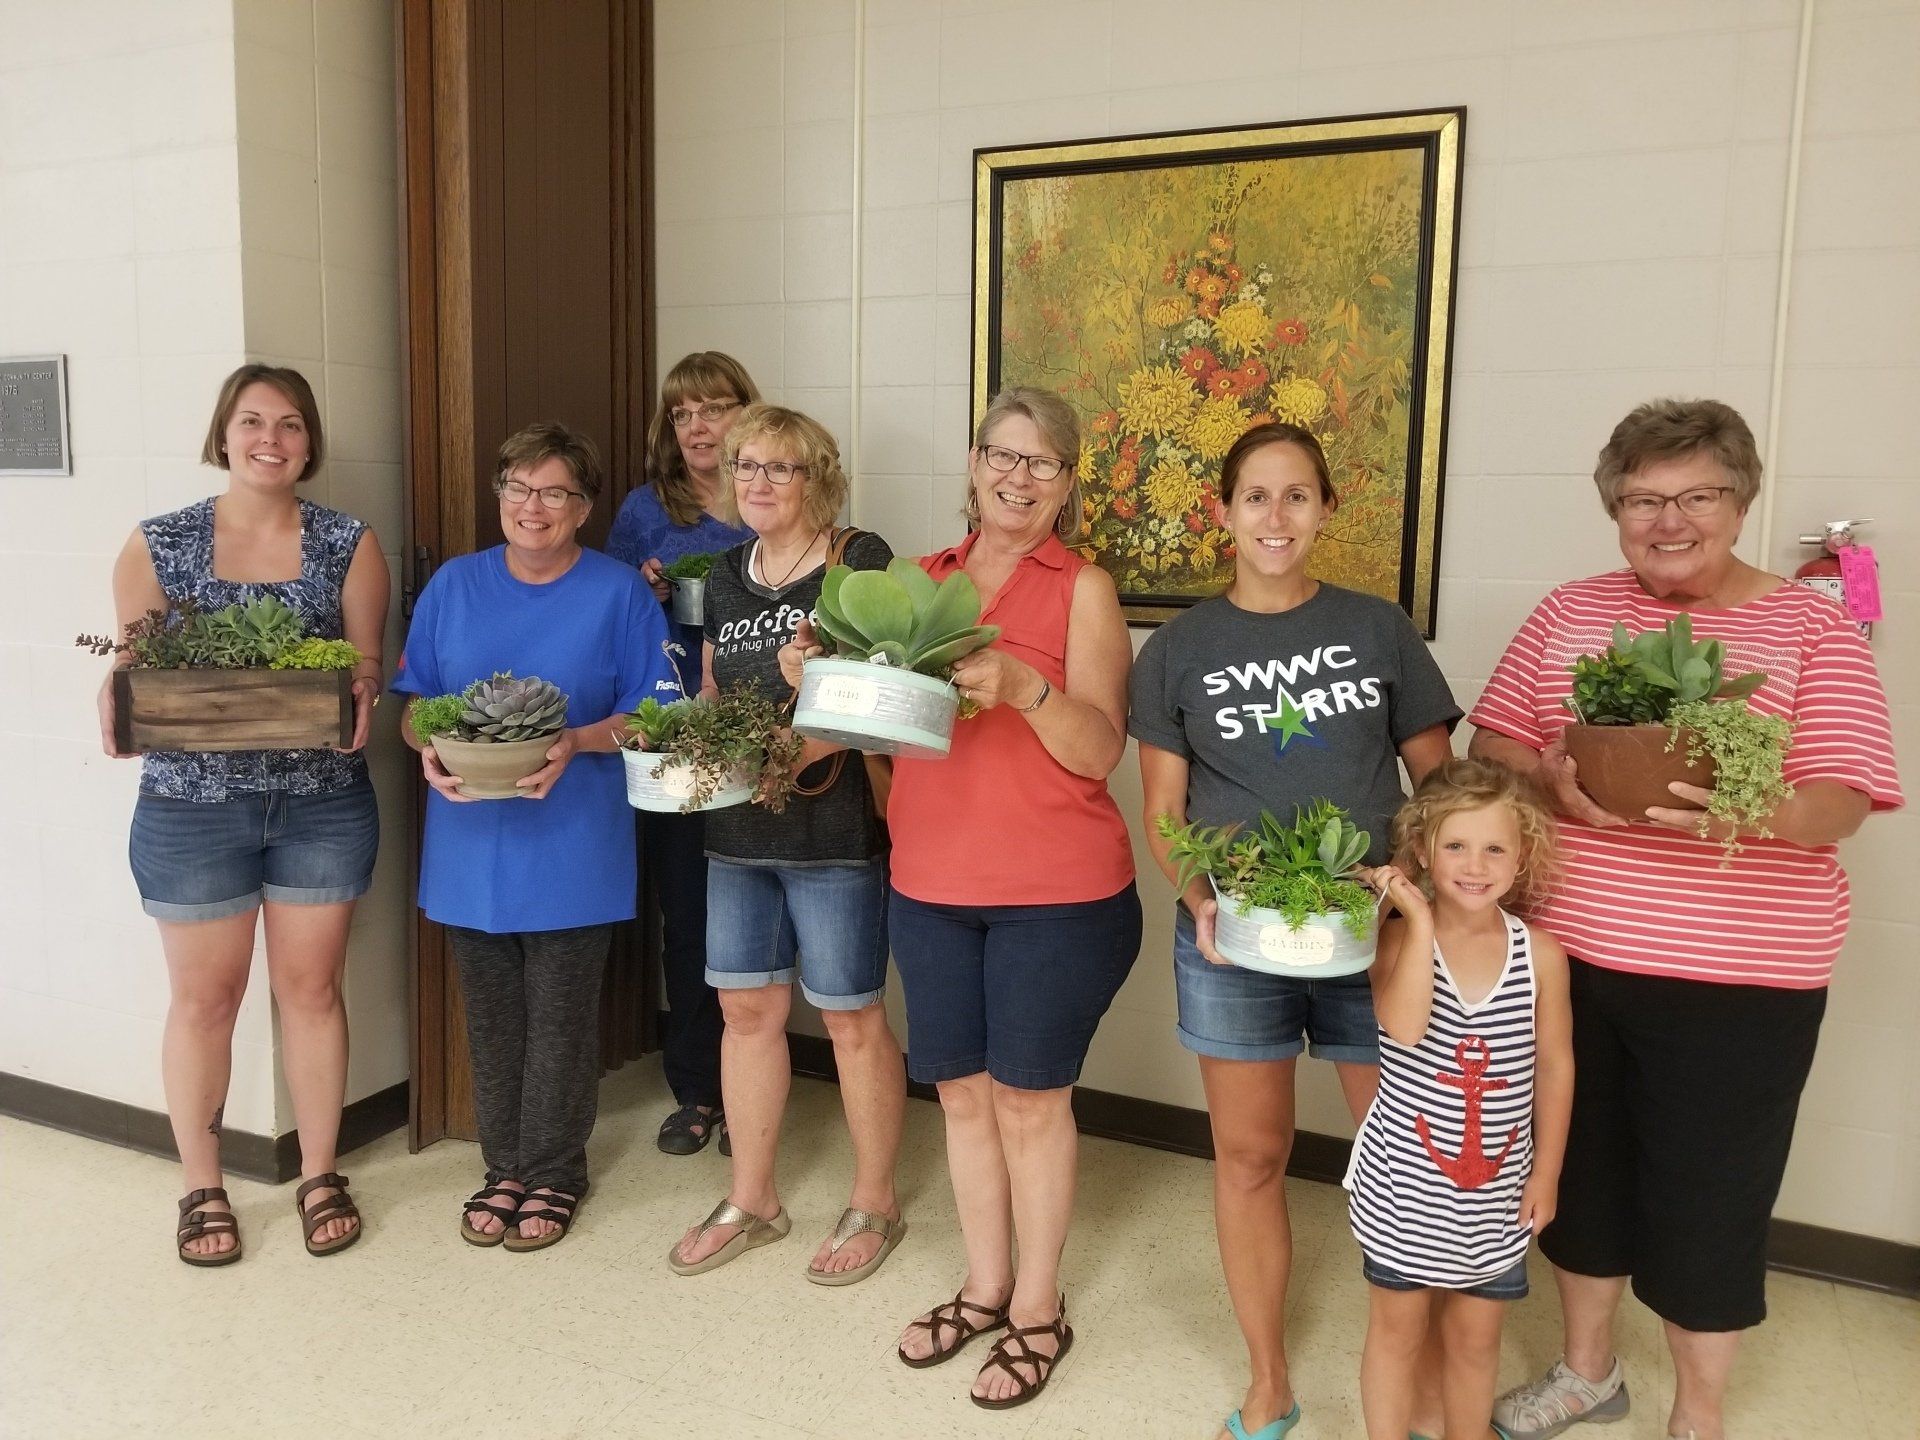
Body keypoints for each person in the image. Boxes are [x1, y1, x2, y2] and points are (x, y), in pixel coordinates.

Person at [1469, 399, 1903, 1440]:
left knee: (1712, 1201)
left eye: (1696, 495)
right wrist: (1553, 782)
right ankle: (1587, 1373)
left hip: (1742, 978)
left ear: (1739, 500)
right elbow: (1491, 744)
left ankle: (1698, 1415)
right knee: (1579, 1178)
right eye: (1642, 500)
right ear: (1614, 509)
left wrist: (1747, 805)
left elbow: (1842, 801)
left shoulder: (1810, 627)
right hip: (1571, 960)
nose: (1669, 519)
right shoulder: (1570, 613)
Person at [781, 388, 1138, 1409]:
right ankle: (982, 1287)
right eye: (1002, 455)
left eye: (1043, 463)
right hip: (931, 887)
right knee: (967, 1100)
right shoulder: (913, 582)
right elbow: (853, 736)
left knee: (1031, 1103)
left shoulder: (1084, 590)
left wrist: (1025, 692)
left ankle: (1038, 1308)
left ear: (1069, 483)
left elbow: (1101, 747)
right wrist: (812, 679)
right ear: (974, 462)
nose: (1018, 477)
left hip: (1057, 895)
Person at [1129, 421, 1460, 1439]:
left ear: (1326, 510)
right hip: (1238, 942)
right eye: (1257, 497)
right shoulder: (1179, 649)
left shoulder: (1378, 628)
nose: (1277, 516)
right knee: (1251, 1158)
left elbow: (1440, 782)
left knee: (1405, 1160)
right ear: (1221, 514)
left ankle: (1434, 1383)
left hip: (1374, 937)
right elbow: (1165, 812)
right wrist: (1197, 899)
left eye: (1298, 495)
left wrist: (1414, 886)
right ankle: (1269, 1376)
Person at [97, 363, 388, 1265]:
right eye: (253, 421)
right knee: (205, 1000)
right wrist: (115, 704)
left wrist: (362, 694)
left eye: (291, 424)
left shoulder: (349, 542)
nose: (272, 439)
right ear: (224, 433)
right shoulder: (160, 542)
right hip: (191, 811)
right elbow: (131, 670)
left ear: (310, 442)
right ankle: (201, 1184)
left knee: (310, 992)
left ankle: (319, 1172)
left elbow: (366, 665)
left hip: (320, 805)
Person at [395, 422, 681, 1253]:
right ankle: (503, 1168)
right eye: (519, 488)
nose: (533, 506)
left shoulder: (620, 592)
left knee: (558, 1017)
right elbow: (417, 704)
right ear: (500, 496)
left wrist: (578, 742)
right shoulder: (453, 585)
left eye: (555, 492)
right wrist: (428, 752)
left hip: (575, 838)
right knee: (490, 1017)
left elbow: (654, 712)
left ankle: (554, 1170)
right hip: (466, 841)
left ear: (585, 508)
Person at [668, 404, 909, 1286]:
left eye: (781, 468)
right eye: (745, 467)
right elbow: (707, 686)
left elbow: (890, 690)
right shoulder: (723, 574)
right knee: (746, 1013)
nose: (759, 483)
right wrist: (682, 737)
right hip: (736, 828)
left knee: (849, 1018)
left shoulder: (859, 559)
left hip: (832, 829)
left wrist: (812, 689)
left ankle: (875, 1199)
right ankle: (754, 1197)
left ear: (820, 478)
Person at [1349, 758, 1572, 1440]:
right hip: (1403, 1193)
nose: (1475, 865)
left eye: (1495, 848)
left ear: (1522, 854)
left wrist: (1546, 1172)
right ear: (1421, 849)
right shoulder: (1393, 941)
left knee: (1477, 1342)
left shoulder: (1540, 954)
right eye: (1455, 846)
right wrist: (1414, 918)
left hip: (1496, 1198)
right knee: (1397, 1332)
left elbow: (1556, 1066)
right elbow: (1407, 1028)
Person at [606, 351, 758, 1156]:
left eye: (714, 407)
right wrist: (645, 586)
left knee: (762, 911)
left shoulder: (771, 491)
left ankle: (755, 1087)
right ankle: (699, 1090)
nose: (697, 426)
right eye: (682, 413)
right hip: (677, 735)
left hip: (767, 721)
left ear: (747, 413)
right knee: (689, 913)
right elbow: (607, 603)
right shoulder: (644, 509)